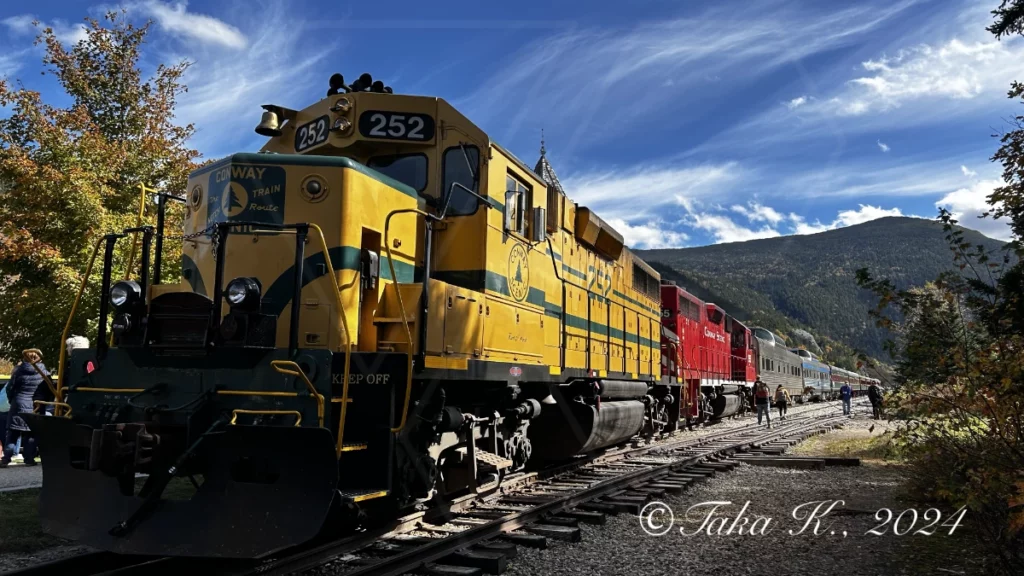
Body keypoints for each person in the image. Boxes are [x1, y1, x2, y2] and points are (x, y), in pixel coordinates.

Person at [1, 349, 49, 467]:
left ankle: (6, 459)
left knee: (12, 433)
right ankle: (29, 459)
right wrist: (44, 402)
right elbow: (48, 389)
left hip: (18, 403)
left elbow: (10, 388)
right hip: (35, 405)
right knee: (31, 433)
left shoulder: (18, 371)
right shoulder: (44, 373)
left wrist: (13, 400)